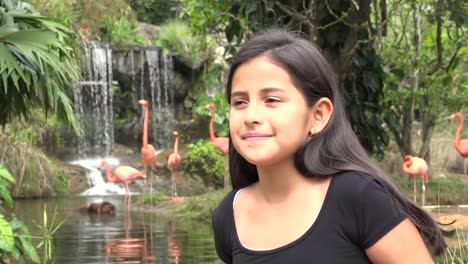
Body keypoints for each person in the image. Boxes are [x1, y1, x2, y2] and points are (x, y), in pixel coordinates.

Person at [211, 28, 449, 263]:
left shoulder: (357, 197)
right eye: (239, 102)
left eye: (272, 100)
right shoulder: (229, 214)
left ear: (318, 115)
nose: (250, 115)